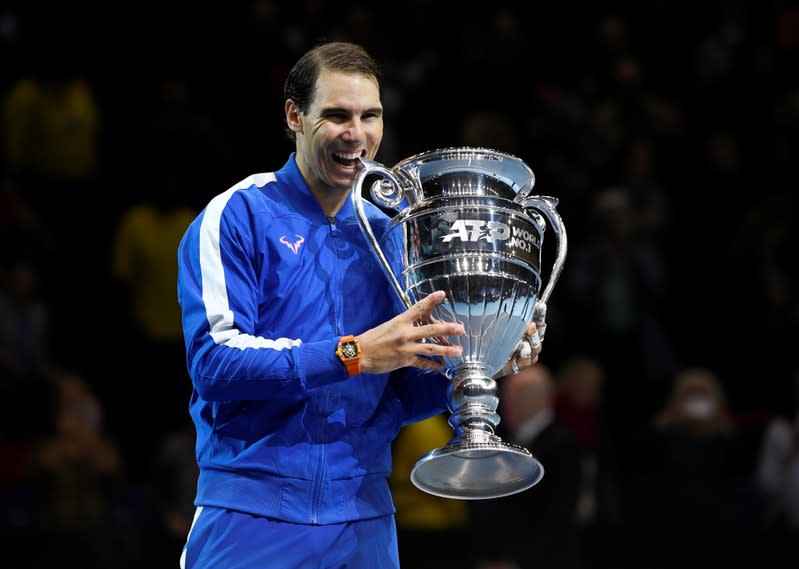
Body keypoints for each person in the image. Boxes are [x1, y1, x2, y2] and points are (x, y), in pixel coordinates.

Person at [175, 41, 544, 569]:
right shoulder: (236, 216)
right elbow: (215, 365)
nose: (358, 134)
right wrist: (354, 354)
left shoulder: (392, 235)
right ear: (294, 117)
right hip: (251, 519)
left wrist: (471, 364)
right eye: (337, 115)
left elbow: (397, 397)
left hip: (363, 524)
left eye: (371, 116)